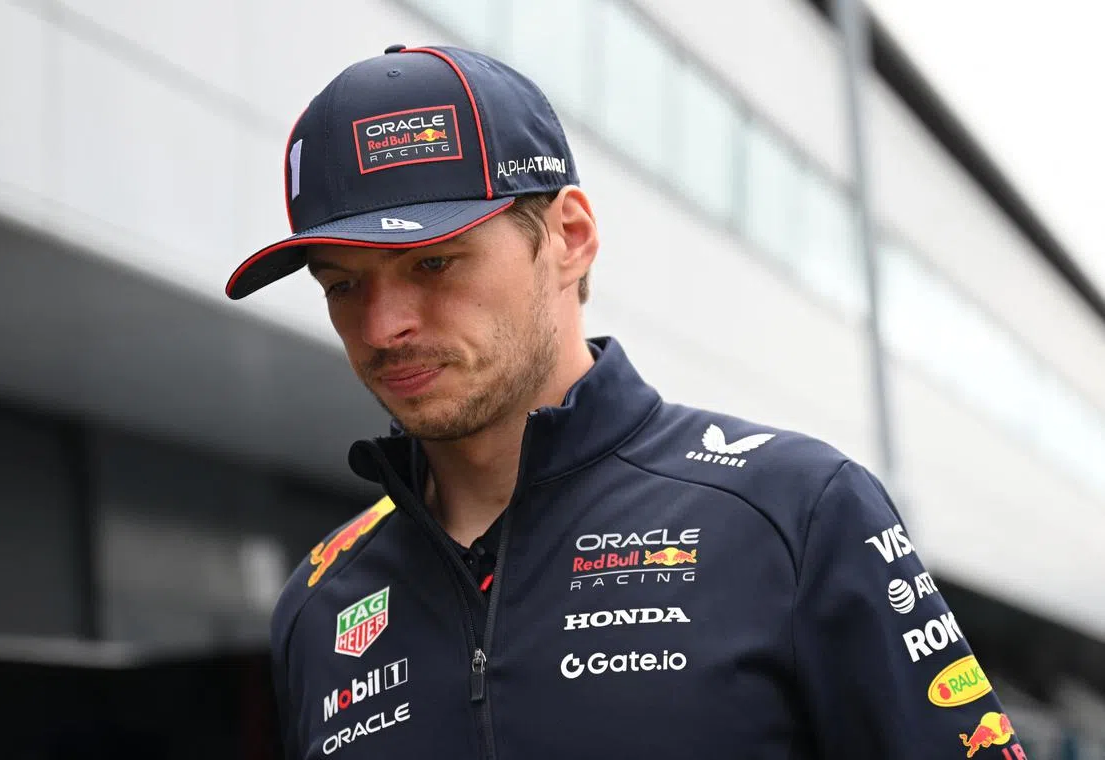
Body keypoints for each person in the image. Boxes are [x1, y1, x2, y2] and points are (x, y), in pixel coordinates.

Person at [226, 44, 1027, 760]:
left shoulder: (794, 510)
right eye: (344, 284)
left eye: (434, 265)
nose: (383, 325)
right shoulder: (320, 599)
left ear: (569, 237)